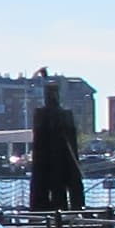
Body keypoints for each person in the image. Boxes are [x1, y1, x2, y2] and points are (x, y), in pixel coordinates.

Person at [28, 75, 86, 212]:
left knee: (64, 184)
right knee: (46, 186)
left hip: (61, 159)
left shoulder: (64, 115)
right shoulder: (43, 115)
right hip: (47, 159)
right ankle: (50, 209)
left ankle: (72, 209)